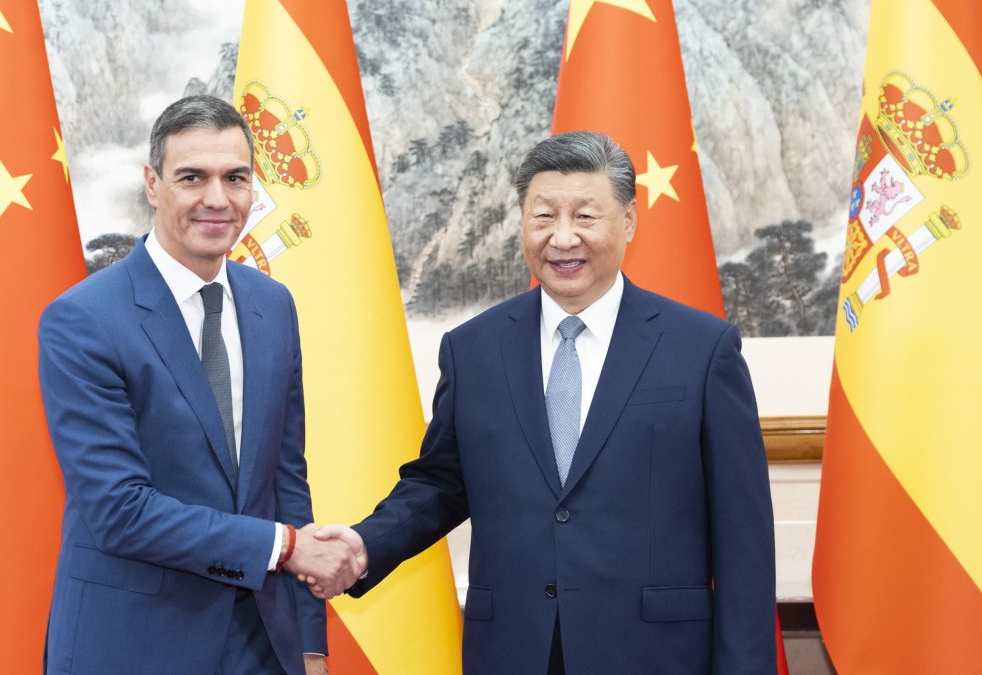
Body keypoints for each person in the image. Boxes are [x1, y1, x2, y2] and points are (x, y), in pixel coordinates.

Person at [314, 131, 777, 673]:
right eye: (543, 217)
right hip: (514, 650)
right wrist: (364, 545)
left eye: (585, 217)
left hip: (655, 653)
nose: (562, 238)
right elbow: (441, 482)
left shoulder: (701, 348)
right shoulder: (473, 350)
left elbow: (743, 534)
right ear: (522, 221)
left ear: (628, 221)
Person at [38, 95, 362, 675]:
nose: (218, 199)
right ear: (153, 183)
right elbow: (119, 510)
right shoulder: (84, 319)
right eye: (193, 177)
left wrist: (310, 643)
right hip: (133, 647)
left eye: (236, 178)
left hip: (263, 646)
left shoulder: (273, 305)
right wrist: (285, 548)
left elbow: (286, 481)